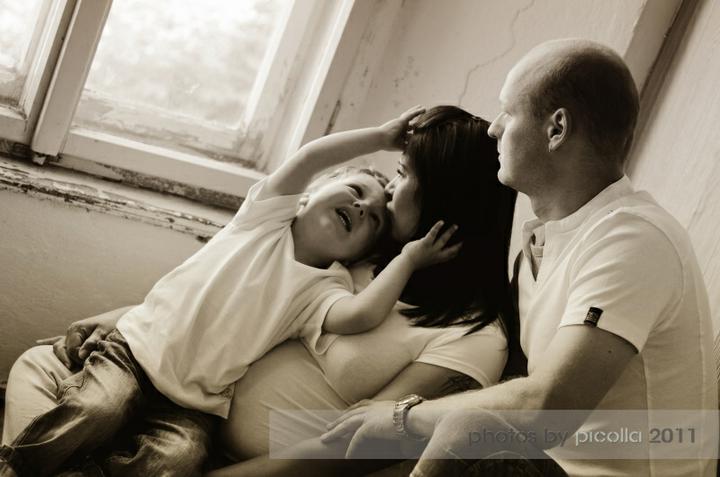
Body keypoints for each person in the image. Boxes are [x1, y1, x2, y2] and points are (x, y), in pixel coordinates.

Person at [2, 106, 518, 476]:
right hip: (146, 362)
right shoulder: (350, 252)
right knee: (44, 372)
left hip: (206, 432)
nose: (380, 194)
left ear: (443, 200)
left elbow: (358, 443)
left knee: (161, 456)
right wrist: (125, 316)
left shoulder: (464, 329)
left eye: (401, 176)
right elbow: (233, 292)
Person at [321, 39, 718, 476]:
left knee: (467, 428)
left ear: (556, 129)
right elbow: (512, 391)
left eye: (508, 112)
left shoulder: (634, 239)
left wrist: (402, 415)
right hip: (536, 466)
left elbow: (549, 407)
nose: (494, 129)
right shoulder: (537, 249)